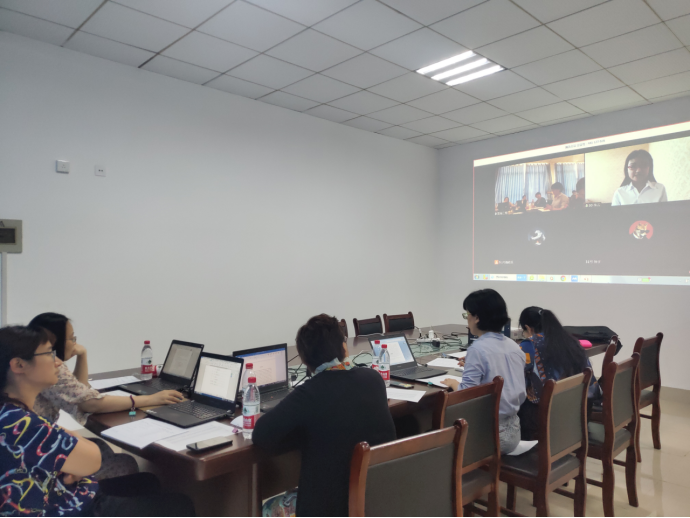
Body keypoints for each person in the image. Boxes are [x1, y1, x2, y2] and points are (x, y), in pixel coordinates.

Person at [0, 325, 195, 517]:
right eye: (49, 354)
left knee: (148, 481)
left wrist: (67, 458)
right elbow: (92, 461)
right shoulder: (25, 424)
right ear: (19, 365)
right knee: (180, 503)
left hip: (58, 493)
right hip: (72, 506)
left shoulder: (9, 413)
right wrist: (70, 453)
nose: (58, 362)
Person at [253, 314, 396, 517]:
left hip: (329, 508)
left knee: (266, 509)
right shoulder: (374, 379)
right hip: (378, 499)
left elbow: (261, 434)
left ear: (305, 360)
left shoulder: (308, 394)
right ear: (344, 348)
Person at [30, 313, 184, 479]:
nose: (74, 343)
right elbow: (90, 403)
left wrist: (82, 355)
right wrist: (152, 399)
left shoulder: (36, 362)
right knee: (125, 462)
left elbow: (79, 391)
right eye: (71, 339)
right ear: (55, 341)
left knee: (99, 446)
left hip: (37, 445)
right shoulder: (50, 367)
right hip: (40, 456)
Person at [442, 290, 526, 454]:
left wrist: (454, 383)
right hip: (513, 433)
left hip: (488, 437)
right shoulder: (514, 346)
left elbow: (466, 394)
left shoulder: (478, 349)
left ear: (477, 318)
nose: (467, 320)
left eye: (467, 315)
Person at [516, 307, 601, 441]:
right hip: (580, 413)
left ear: (528, 328)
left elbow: (518, 380)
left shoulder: (529, 344)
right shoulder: (571, 341)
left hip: (547, 417)